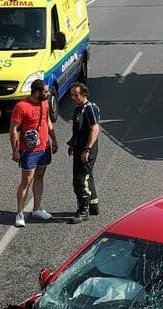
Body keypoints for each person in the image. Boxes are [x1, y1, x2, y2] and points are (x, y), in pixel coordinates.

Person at [10, 79, 57, 227]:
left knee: (40, 176)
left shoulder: (44, 103)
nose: (48, 93)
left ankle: (36, 209)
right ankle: (19, 213)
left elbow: (48, 121)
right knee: (26, 180)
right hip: (29, 150)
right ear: (36, 92)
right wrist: (15, 150)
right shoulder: (21, 106)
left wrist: (54, 140)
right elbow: (14, 129)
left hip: (44, 147)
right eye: (45, 91)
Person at [66, 81, 101, 224]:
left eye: (76, 95)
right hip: (79, 148)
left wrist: (87, 149)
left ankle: (83, 210)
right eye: (72, 95)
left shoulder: (89, 108)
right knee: (88, 177)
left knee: (80, 180)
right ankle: (93, 205)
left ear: (84, 94)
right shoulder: (78, 108)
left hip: (87, 150)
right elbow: (78, 130)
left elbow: (95, 129)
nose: (73, 98)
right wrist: (72, 144)